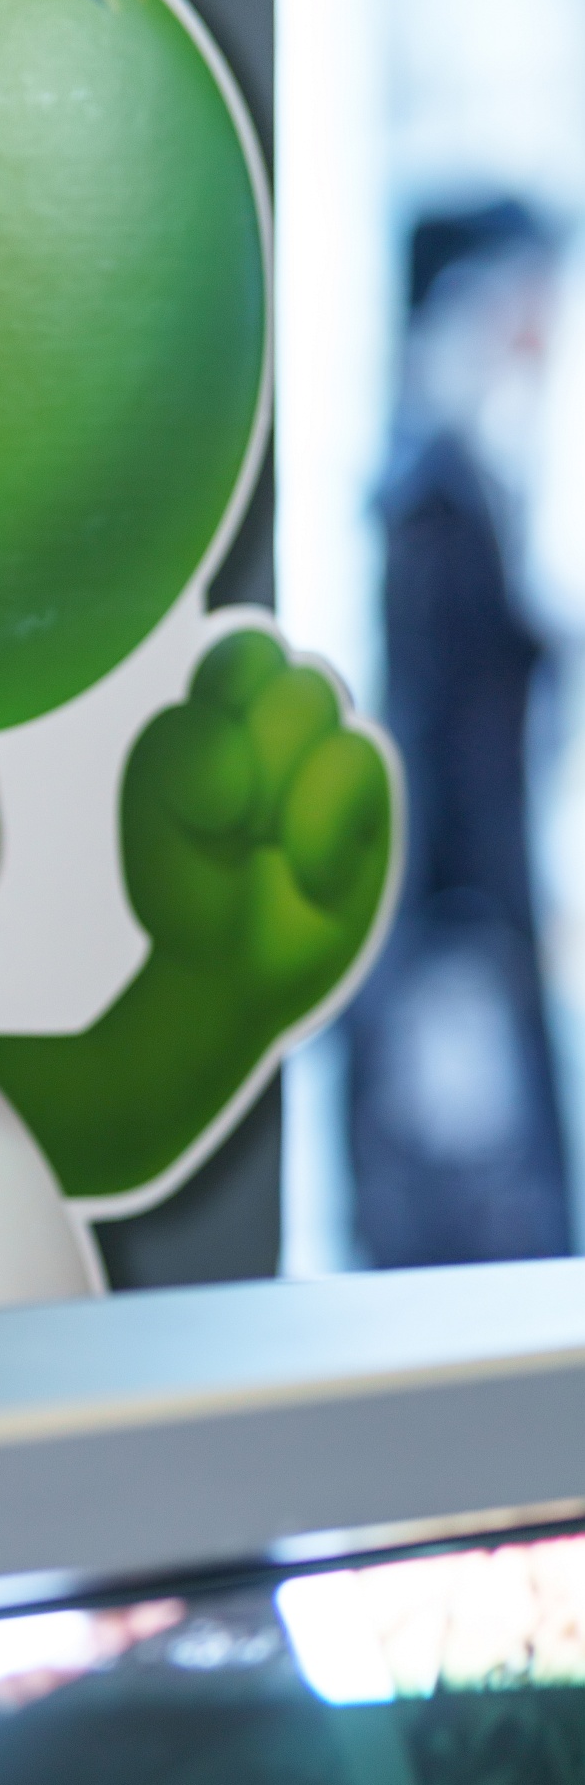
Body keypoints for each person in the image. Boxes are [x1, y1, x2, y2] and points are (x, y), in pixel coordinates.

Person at [349, 199, 573, 1266]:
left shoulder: (468, 473)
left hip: (477, 895)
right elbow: (435, 722)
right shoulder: (435, 491)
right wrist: (450, 920)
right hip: (459, 902)